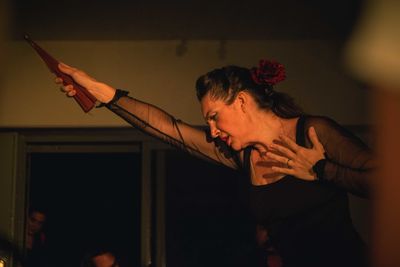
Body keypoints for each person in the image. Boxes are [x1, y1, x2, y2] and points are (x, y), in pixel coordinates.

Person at [55, 59, 374, 267]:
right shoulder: (242, 155)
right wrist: (102, 93)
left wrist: (322, 170)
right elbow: (169, 129)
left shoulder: (312, 132)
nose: (212, 130)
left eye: (214, 117)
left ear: (242, 102)